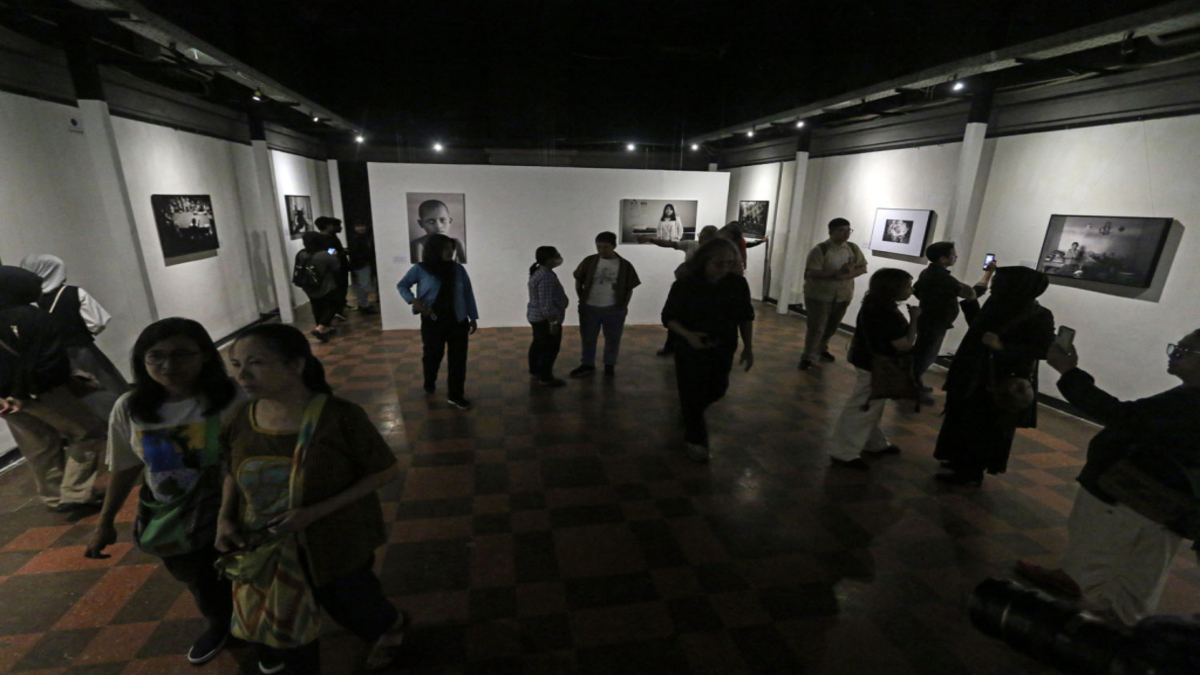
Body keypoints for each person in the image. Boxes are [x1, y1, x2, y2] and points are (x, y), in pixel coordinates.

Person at [217, 324, 405, 674]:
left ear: (296, 365)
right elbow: (231, 469)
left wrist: (314, 513)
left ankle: (389, 627)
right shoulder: (241, 417)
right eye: (237, 364)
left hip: (334, 542)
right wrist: (224, 519)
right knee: (289, 620)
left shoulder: (339, 417)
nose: (242, 375)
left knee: (352, 602)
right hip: (266, 545)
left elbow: (385, 471)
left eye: (256, 363)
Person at [1015, 331, 1200, 626]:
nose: (1174, 353)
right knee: (1138, 576)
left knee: (1099, 566)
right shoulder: (1188, 397)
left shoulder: (1189, 404)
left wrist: (1068, 372)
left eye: (1186, 350)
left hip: (1132, 497)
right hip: (1166, 508)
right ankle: (1113, 618)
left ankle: (1087, 631)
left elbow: (1120, 415)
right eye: (1176, 346)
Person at [85, 318, 240, 666]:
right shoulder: (130, 407)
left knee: (247, 571)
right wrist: (105, 522)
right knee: (201, 580)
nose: (169, 366)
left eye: (182, 354)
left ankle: (262, 628)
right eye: (156, 356)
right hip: (175, 516)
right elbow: (124, 467)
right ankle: (222, 626)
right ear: (142, 359)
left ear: (205, 355)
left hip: (236, 508)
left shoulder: (231, 396)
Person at [933, 266, 1056, 485]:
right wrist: (971, 302)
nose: (993, 286)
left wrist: (1003, 346)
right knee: (963, 417)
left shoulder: (1038, 315)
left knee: (985, 424)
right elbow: (979, 328)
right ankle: (957, 460)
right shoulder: (998, 304)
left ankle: (971, 471)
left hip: (1001, 377)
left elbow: (1043, 349)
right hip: (974, 371)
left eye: (999, 281)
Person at [0, 265, 104, 512]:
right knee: (87, 432)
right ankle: (75, 493)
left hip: (6, 401)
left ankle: (54, 497)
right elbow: (50, 359)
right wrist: (26, 391)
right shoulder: (34, 316)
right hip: (40, 392)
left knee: (38, 445)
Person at [662, 238, 755, 463]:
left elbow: (745, 316)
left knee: (718, 388)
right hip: (689, 347)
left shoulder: (737, 284)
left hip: (723, 344)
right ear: (704, 261)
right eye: (719, 263)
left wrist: (748, 346)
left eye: (729, 263)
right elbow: (669, 317)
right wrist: (689, 336)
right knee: (691, 391)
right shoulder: (685, 284)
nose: (724, 269)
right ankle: (695, 439)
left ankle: (689, 412)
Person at [19, 254, 128, 420]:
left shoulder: (28, 303)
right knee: (103, 388)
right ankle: (117, 421)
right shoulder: (74, 293)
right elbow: (97, 323)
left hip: (49, 358)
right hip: (80, 351)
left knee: (72, 397)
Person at [827, 268, 915, 469]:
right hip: (875, 364)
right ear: (894, 288)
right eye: (907, 286)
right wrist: (915, 319)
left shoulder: (873, 303)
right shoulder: (888, 313)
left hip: (866, 359)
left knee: (873, 404)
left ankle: (874, 442)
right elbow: (904, 344)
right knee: (863, 406)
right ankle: (844, 452)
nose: (911, 290)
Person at [397, 233, 479, 409]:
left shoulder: (458, 270)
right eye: (445, 248)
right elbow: (402, 285)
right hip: (433, 319)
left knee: (458, 358)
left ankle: (456, 395)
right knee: (433, 355)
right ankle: (430, 380)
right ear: (434, 250)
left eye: (451, 248)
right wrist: (413, 300)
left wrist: (473, 317)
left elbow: (468, 293)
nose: (450, 251)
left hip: (458, 319)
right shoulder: (420, 269)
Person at [911, 243, 994, 406]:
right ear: (943, 259)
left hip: (929, 319)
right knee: (925, 356)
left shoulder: (927, 273)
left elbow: (916, 290)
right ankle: (911, 389)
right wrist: (988, 275)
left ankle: (915, 384)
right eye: (953, 255)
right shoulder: (944, 278)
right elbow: (971, 294)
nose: (956, 257)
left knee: (922, 353)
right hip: (935, 322)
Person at [639, 224, 719, 356]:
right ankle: (671, 346)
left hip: (705, 291)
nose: (700, 239)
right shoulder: (692, 244)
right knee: (676, 317)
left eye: (704, 238)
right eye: (700, 236)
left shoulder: (717, 252)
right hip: (688, 288)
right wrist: (651, 239)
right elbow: (670, 244)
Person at [799, 218, 867, 370]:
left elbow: (862, 267)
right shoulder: (820, 250)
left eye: (848, 230)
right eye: (841, 231)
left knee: (832, 326)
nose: (846, 234)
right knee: (817, 327)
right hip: (820, 295)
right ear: (831, 231)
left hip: (843, 295)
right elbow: (812, 272)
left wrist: (847, 275)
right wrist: (837, 273)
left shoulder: (852, 248)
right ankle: (807, 356)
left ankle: (821, 348)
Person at [570, 232, 641, 378]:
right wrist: (582, 299)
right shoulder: (589, 261)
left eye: (605, 247)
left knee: (613, 338)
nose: (602, 250)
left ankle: (609, 365)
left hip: (614, 308)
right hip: (589, 307)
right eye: (599, 247)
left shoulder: (625, 265)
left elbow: (629, 288)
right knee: (588, 338)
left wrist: (623, 306)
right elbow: (579, 280)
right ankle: (587, 364)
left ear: (614, 246)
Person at [527, 246, 570, 387]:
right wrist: (553, 322)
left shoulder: (542, 273)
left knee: (538, 345)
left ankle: (535, 371)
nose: (559, 258)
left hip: (538, 317)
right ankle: (545, 377)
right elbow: (546, 303)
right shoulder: (545, 277)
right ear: (548, 259)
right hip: (545, 319)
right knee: (549, 348)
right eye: (556, 256)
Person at [296, 232, 342, 342]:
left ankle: (323, 328)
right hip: (325, 285)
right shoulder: (323, 254)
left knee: (316, 306)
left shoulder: (301, 254)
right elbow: (336, 266)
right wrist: (333, 253)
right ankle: (320, 328)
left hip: (308, 285)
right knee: (333, 305)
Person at [410, 199, 467, 264]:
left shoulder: (457, 243)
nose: (438, 226)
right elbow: (417, 269)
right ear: (421, 224)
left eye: (442, 220)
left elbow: (468, 266)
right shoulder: (419, 245)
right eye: (431, 221)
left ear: (449, 221)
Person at [315, 217, 350, 318]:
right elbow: (330, 252)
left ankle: (340, 307)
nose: (340, 228)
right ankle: (337, 310)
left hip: (335, 266)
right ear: (329, 226)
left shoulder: (327, 237)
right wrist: (341, 252)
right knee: (339, 287)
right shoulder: (327, 238)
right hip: (336, 266)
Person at [347, 220, 378, 314]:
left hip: (362, 263)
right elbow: (354, 251)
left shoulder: (363, 237)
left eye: (363, 226)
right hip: (361, 264)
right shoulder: (357, 238)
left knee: (364, 285)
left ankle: (364, 304)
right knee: (364, 285)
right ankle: (364, 305)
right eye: (359, 226)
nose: (362, 228)